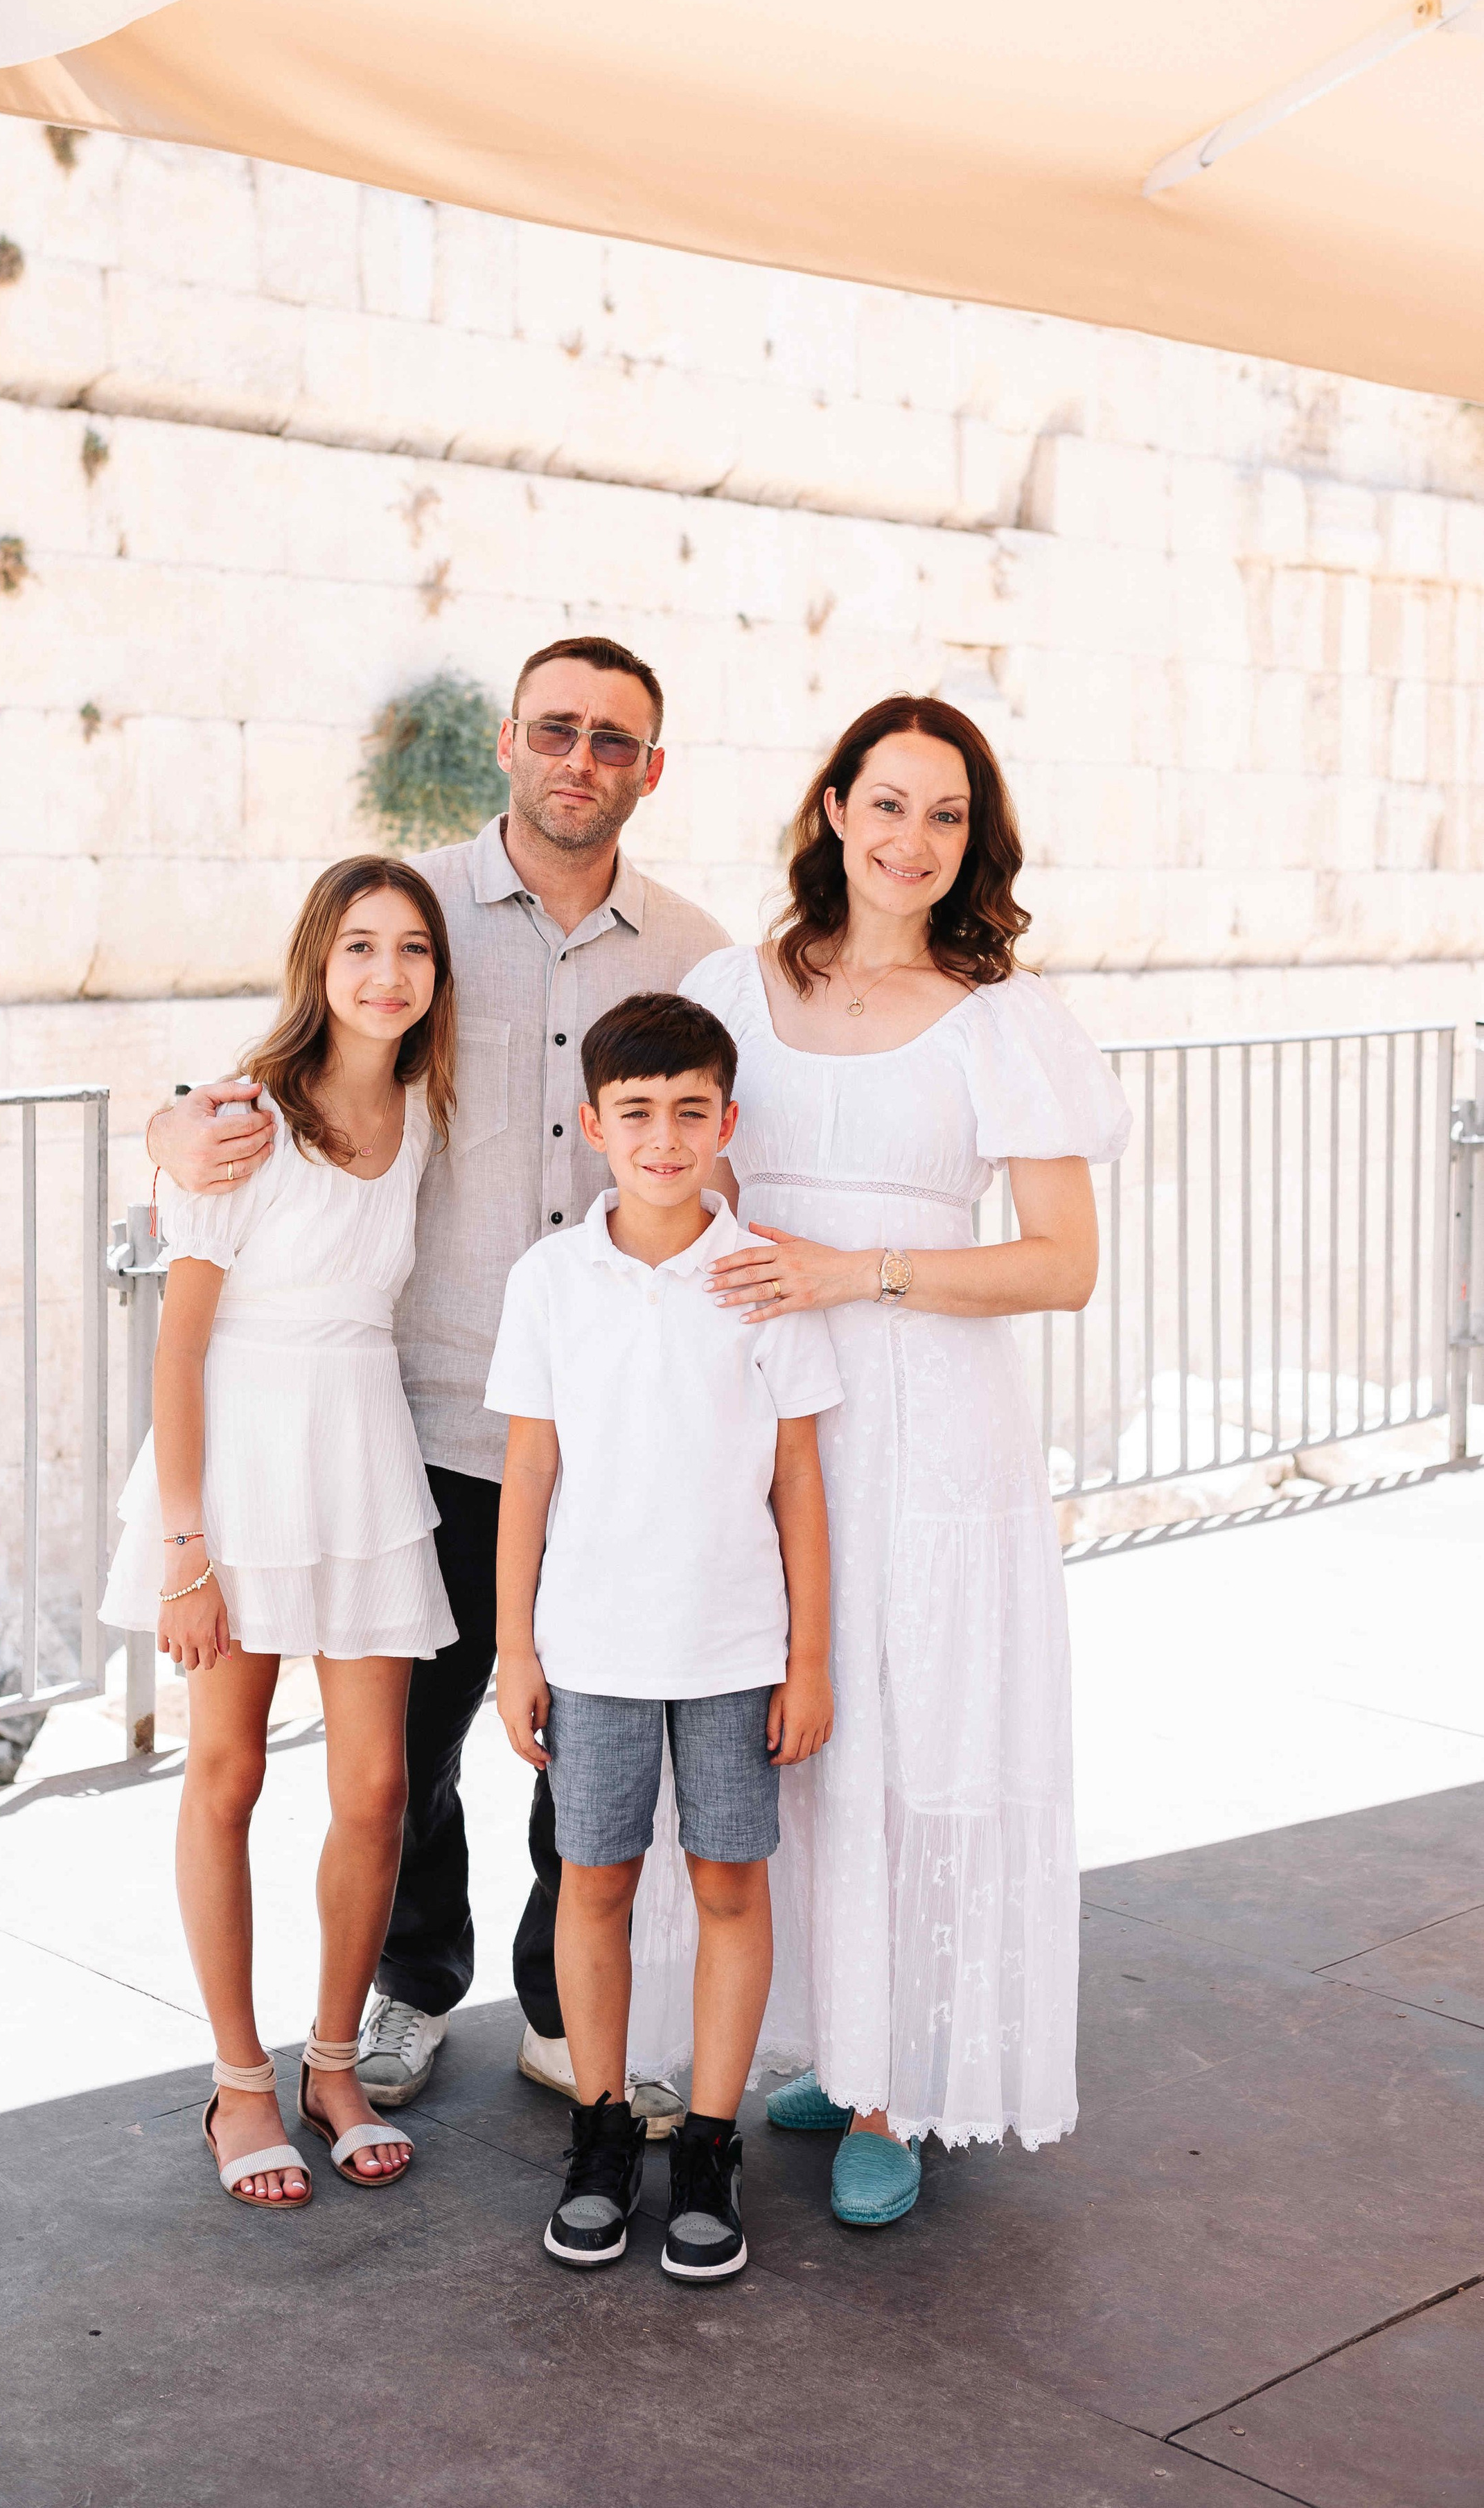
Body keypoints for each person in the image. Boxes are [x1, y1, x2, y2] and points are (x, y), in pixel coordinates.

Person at [144, 637, 728, 2125]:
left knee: (587, 1734)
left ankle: (553, 2001)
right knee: (406, 1756)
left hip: (613, 1432)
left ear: (649, 772)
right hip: (416, 1423)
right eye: (555, 730)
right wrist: (169, 1126)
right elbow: (282, 1062)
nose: (578, 760)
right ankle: (409, 1985)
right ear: (507, 748)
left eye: (612, 741)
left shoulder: (695, 948)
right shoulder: (416, 917)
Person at [675, 693, 1131, 2227]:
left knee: (914, 1730)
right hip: (764, 1412)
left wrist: (851, 1273)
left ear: (972, 840)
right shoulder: (728, 990)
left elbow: (1061, 1265)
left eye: (945, 816)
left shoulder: (1003, 1020)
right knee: (787, 1733)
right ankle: (822, 2035)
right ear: (830, 810)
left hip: (931, 1425)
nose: (911, 841)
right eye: (887, 805)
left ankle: (893, 2085)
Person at [100, 857, 460, 2205]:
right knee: (227, 1776)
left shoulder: (425, 1108)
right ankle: (237, 2084)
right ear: (317, 961)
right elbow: (178, 1346)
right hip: (238, 1466)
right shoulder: (243, 1119)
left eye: (411, 950)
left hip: (361, 1456)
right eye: (358, 946)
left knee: (375, 1788)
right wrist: (186, 1549)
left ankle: (329, 2059)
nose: (384, 974)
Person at [490, 995, 841, 2279]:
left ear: (726, 1124)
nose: (663, 1135)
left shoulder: (762, 1277)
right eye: (636, 1112)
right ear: (594, 1126)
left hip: (737, 1649)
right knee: (594, 1882)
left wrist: (809, 1658)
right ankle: (598, 2132)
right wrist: (515, 1650)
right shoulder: (549, 1281)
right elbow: (529, 1471)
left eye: (692, 1111)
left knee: (731, 1885)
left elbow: (799, 1478)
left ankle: (706, 2142)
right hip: (590, 1651)